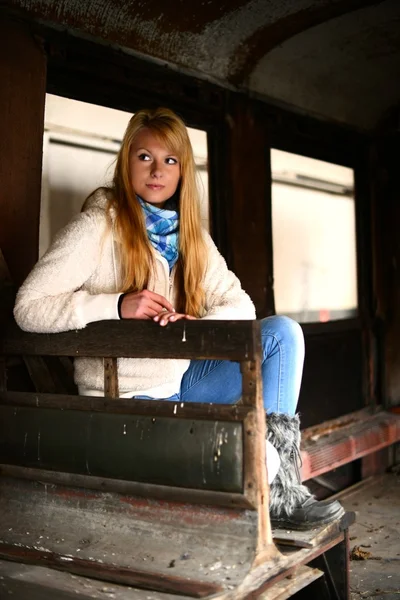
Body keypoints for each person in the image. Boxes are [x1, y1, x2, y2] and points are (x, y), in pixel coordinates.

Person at [14, 107, 344, 530]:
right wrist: (114, 305)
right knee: (247, 460)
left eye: (170, 160)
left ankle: (280, 491)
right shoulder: (97, 226)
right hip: (123, 399)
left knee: (282, 333)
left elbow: (241, 304)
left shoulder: (190, 238)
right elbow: (28, 306)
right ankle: (271, 485)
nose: (157, 170)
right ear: (126, 161)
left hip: (182, 382)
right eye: (144, 157)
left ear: (183, 170)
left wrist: (200, 324)